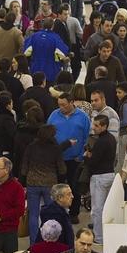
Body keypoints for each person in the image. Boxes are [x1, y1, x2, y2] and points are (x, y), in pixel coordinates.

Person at [22, 124, 71, 244]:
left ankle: (34, 243)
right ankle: (51, 238)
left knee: (33, 214)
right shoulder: (55, 149)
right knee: (52, 213)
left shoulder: (31, 147)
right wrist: (62, 180)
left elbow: (24, 165)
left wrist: (23, 181)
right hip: (50, 184)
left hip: (32, 182)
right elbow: (62, 169)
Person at [47, 93, 91, 223]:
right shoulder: (54, 115)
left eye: (64, 105)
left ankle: (74, 213)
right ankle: (57, 211)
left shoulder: (83, 117)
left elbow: (87, 136)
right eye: (59, 104)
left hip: (76, 158)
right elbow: (48, 134)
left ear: (72, 102)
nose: (61, 107)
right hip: (58, 159)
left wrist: (82, 154)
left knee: (74, 186)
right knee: (57, 187)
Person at [84, 115, 116, 244]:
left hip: (99, 177)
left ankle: (99, 237)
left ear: (105, 126)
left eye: (97, 125)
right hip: (110, 175)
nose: (94, 127)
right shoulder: (112, 139)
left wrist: (87, 157)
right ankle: (105, 234)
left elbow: (93, 162)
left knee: (97, 209)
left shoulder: (101, 141)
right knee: (106, 208)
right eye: (94, 124)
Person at [25, 17, 69, 84]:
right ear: (52, 26)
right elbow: (63, 53)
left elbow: (26, 52)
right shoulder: (56, 38)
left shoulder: (34, 36)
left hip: (35, 71)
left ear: (42, 25)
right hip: (51, 73)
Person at [37, 184, 75, 248]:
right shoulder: (55, 215)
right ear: (60, 198)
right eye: (69, 194)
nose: (72, 196)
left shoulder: (59, 211)